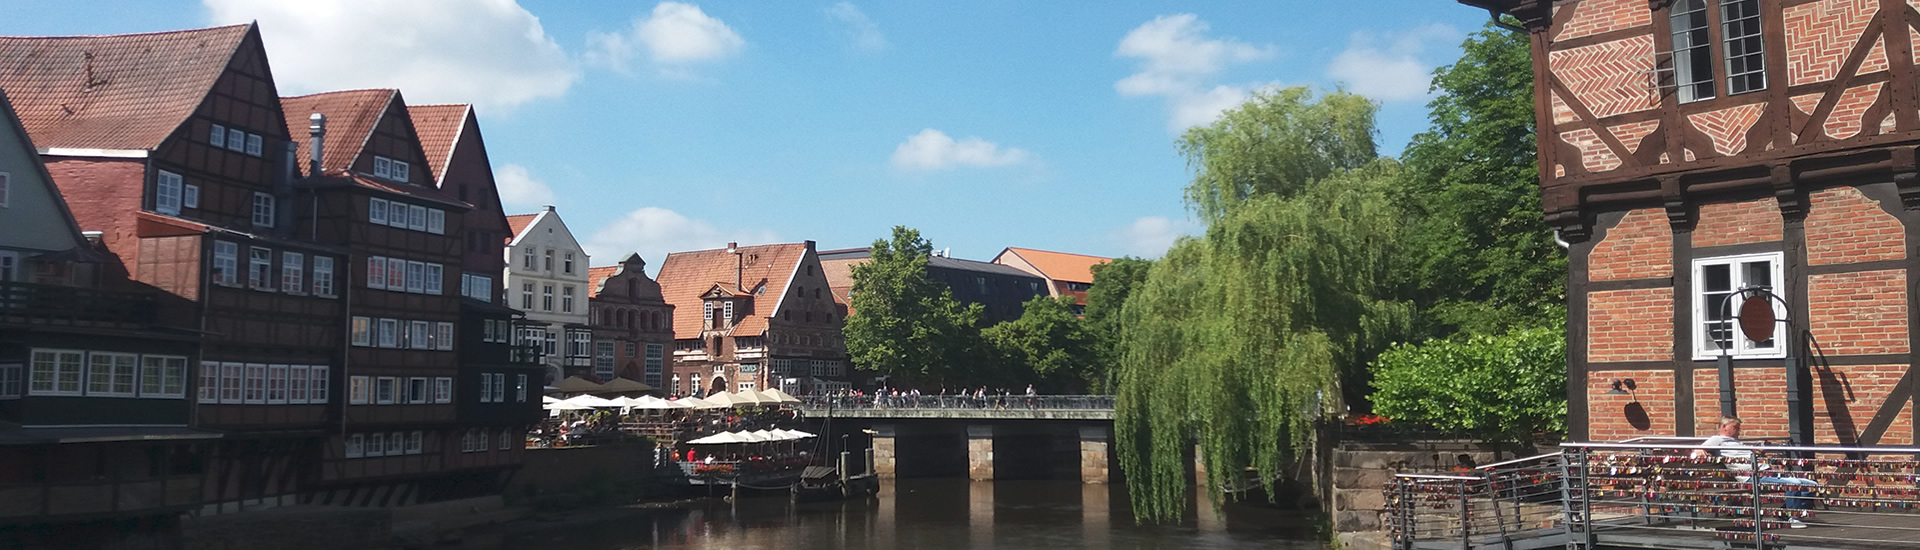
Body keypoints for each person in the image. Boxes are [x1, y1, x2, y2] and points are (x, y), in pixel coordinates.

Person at [1692, 418, 1817, 527]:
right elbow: (1696, 452)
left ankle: (1784, 514)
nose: (1738, 431)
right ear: (1724, 427)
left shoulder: (1737, 442)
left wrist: (1757, 452)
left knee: (1812, 484)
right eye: (1735, 428)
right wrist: (1698, 450)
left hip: (1765, 472)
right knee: (1793, 483)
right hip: (1751, 476)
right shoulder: (1717, 439)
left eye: (1739, 428)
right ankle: (1792, 518)